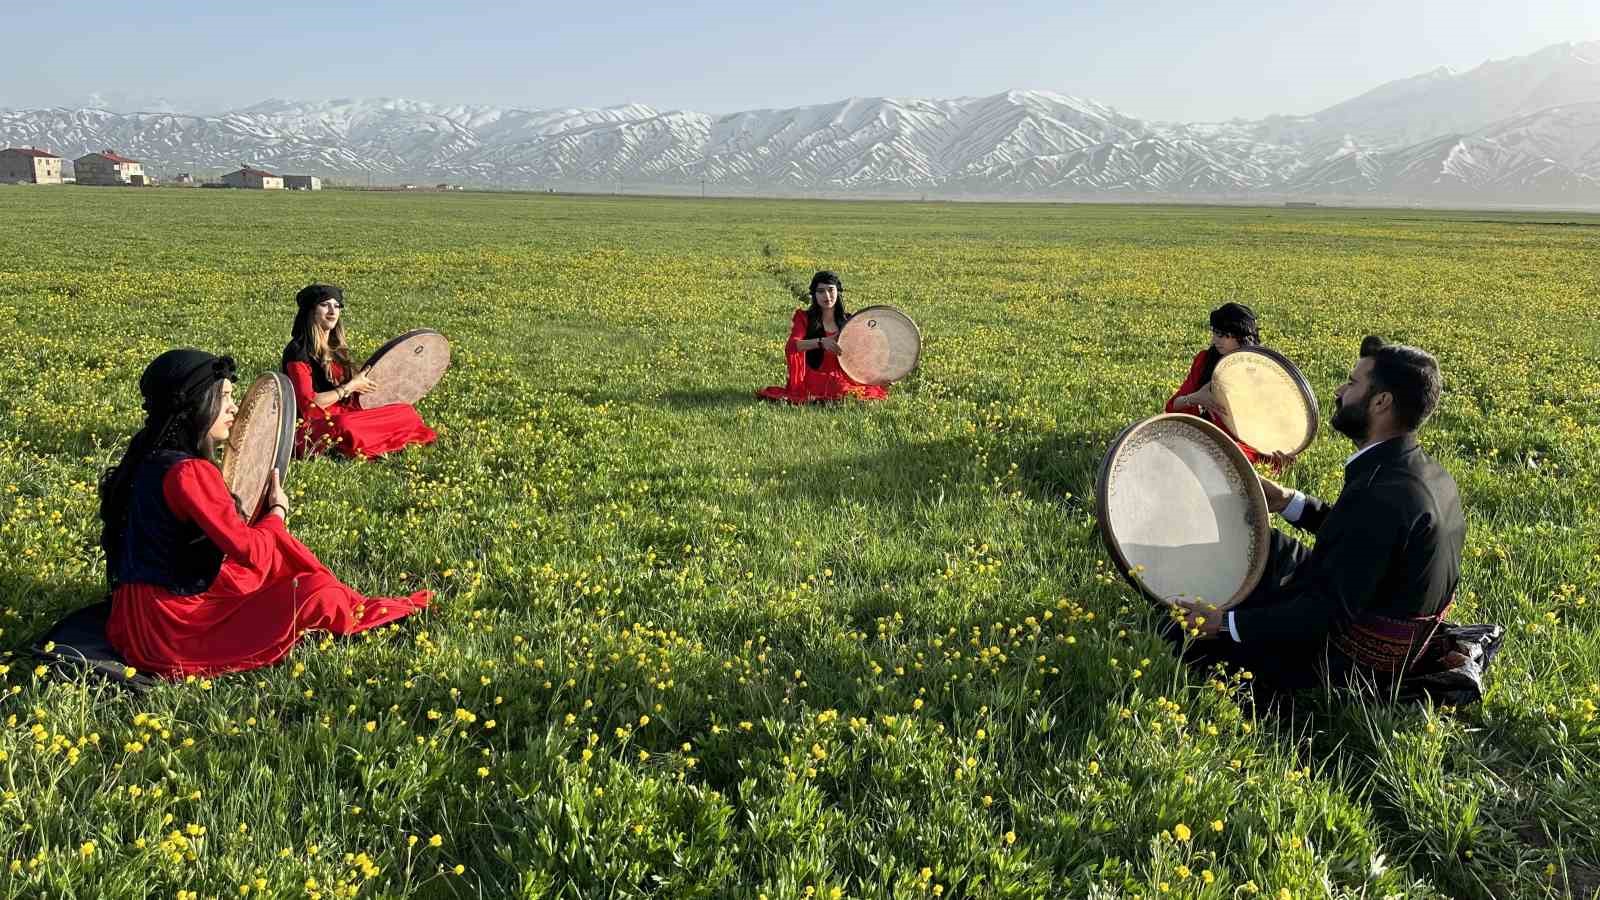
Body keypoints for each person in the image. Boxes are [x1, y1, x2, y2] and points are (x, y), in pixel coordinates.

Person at [100, 348, 431, 678]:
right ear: (196, 404)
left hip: (131, 617)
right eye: (224, 397)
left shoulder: (146, 457)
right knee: (317, 592)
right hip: (171, 630)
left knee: (249, 576)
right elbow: (252, 552)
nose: (233, 407)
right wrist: (276, 513)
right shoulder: (188, 473)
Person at [1169, 337, 1466, 693]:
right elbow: (1364, 540)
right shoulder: (1417, 471)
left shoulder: (1381, 495)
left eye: (1353, 383)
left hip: (1349, 661)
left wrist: (1223, 624)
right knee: (1266, 542)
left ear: (1381, 402)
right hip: (1371, 603)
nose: (1340, 391)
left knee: (1178, 635)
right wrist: (1287, 501)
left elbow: (1321, 614)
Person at [282, 283, 437, 458]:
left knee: (405, 411)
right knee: (345, 425)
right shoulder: (297, 351)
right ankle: (360, 446)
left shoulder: (335, 348)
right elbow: (309, 406)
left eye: (337, 305)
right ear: (311, 311)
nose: (332, 311)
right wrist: (350, 386)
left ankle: (371, 442)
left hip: (348, 412)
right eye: (325, 305)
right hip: (314, 425)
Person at [757, 271, 890, 405]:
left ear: (838, 292)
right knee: (838, 388)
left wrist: (877, 373)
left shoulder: (849, 321)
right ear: (814, 295)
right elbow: (793, 345)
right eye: (821, 291)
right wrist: (821, 342)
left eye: (831, 290)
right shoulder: (804, 318)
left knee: (852, 389)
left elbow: (864, 353)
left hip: (843, 374)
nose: (826, 296)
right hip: (814, 375)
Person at [1167, 302, 1262, 462]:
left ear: (1240, 336)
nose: (1214, 340)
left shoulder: (1261, 368)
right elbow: (1173, 407)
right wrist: (1196, 397)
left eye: (1221, 335)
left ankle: (1272, 487)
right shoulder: (1205, 360)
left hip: (1246, 444)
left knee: (1231, 457)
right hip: (1206, 436)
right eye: (1214, 333)